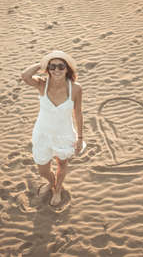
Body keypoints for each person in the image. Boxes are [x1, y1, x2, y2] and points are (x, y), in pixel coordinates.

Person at [21, 50, 85, 206]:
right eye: (52, 66)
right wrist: (41, 64)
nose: (56, 70)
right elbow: (25, 76)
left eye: (61, 66)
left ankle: (57, 189)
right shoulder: (42, 84)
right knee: (42, 170)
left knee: (62, 164)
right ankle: (51, 181)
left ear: (67, 68)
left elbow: (78, 114)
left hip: (64, 134)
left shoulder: (75, 89)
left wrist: (80, 138)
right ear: (48, 69)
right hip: (42, 134)